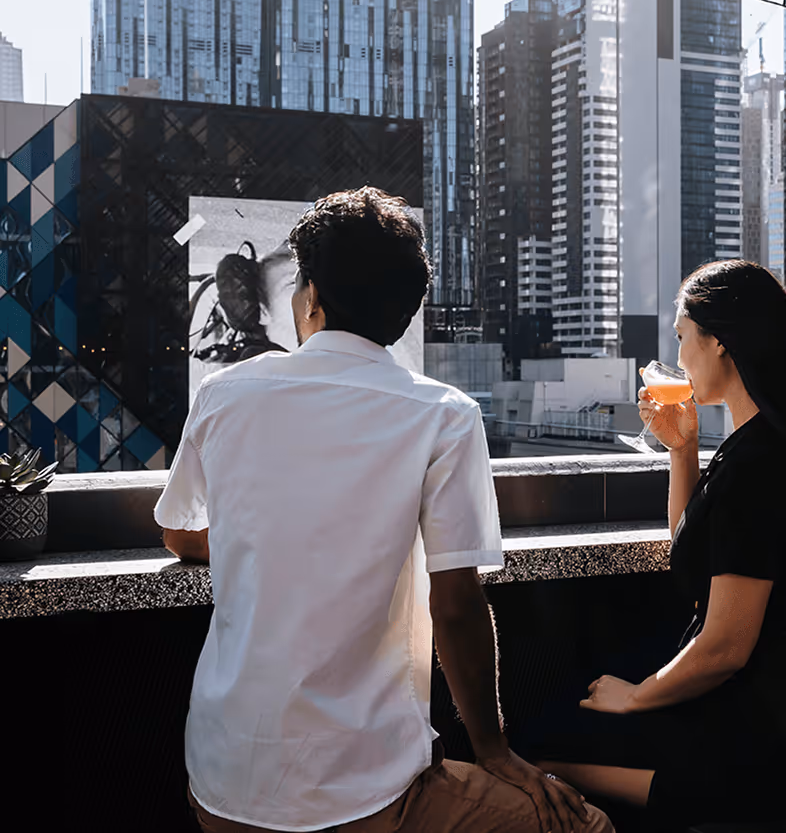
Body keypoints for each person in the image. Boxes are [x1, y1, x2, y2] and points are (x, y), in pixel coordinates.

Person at [155, 187, 611, 833]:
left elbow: (180, 531)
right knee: (587, 827)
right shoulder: (442, 414)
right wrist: (492, 750)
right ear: (403, 313)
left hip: (223, 784)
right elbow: (456, 603)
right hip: (368, 794)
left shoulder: (224, 394)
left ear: (310, 298)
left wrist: (253, 536)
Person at [530, 260, 786, 831]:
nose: (678, 355)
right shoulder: (768, 445)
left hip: (742, 750)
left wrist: (638, 696)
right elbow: (698, 550)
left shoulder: (760, 466)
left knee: (533, 759)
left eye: (682, 338)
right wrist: (682, 448)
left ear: (719, 341)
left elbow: (725, 647)